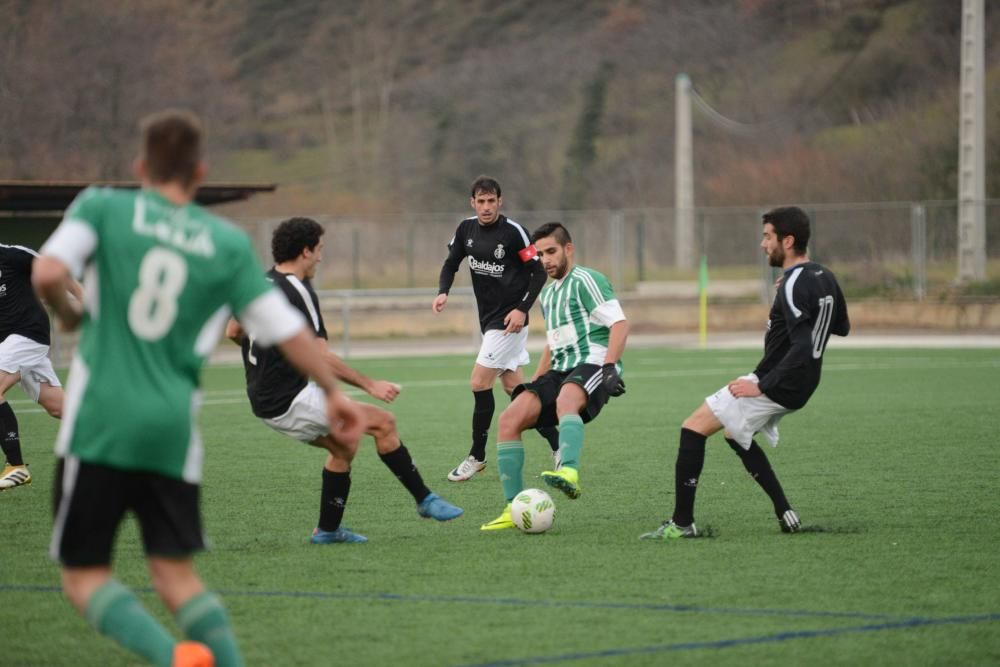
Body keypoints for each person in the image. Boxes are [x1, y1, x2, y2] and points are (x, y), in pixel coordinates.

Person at [32, 109, 364, 667]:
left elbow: (46, 273)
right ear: (200, 172)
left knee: (85, 576)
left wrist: (66, 320)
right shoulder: (225, 243)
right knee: (176, 575)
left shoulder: (103, 206)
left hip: (100, 422)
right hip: (171, 430)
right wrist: (334, 392)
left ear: (141, 167)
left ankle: (172, 659)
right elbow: (291, 334)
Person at [225, 217, 463, 544]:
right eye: (320, 250)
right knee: (383, 423)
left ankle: (327, 530)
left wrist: (268, 358)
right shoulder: (298, 291)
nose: (321, 258)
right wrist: (370, 385)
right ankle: (424, 499)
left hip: (264, 398)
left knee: (344, 445)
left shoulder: (259, 283)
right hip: (287, 399)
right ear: (305, 251)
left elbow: (233, 332)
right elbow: (321, 356)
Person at [640, 206, 850, 541]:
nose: (763, 244)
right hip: (803, 382)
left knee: (692, 429)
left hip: (780, 380)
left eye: (768, 236)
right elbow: (842, 327)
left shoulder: (794, 284)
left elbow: (801, 345)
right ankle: (785, 511)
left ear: (788, 240)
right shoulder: (823, 276)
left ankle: (682, 524)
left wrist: (762, 386)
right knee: (733, 434)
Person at [480, 222, 629, 531]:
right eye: (540, 254)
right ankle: (512, 507)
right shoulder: (547, 295)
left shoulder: (586, 279)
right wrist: (534, 383)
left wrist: (610, 366)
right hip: (560, 369)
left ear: (568, 249)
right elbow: (553, 342)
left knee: (566, 399)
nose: (545, 260)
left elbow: (619, 323)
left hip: (593, 361)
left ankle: (569, 471)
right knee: (510, 418)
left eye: (551, 252)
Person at [433, 176, 558, 482]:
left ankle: (477, 455)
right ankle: (560, 446)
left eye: (492, 201)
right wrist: (443, 290)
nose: (486, 207)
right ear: (472, 202)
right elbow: (451, 262)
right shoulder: (466, 229)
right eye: (481, 201)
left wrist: (521, 310)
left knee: (478, 383)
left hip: (508, 322)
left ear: (500, 202)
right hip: (489, 319)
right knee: (516, 391)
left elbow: (538, 273)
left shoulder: (514, 233)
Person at [0, 244, 80, 490]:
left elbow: (55, 271)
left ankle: (16, 467)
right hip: (9, 344)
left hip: (28, 335)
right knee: (59, 408)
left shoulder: (12, 255)